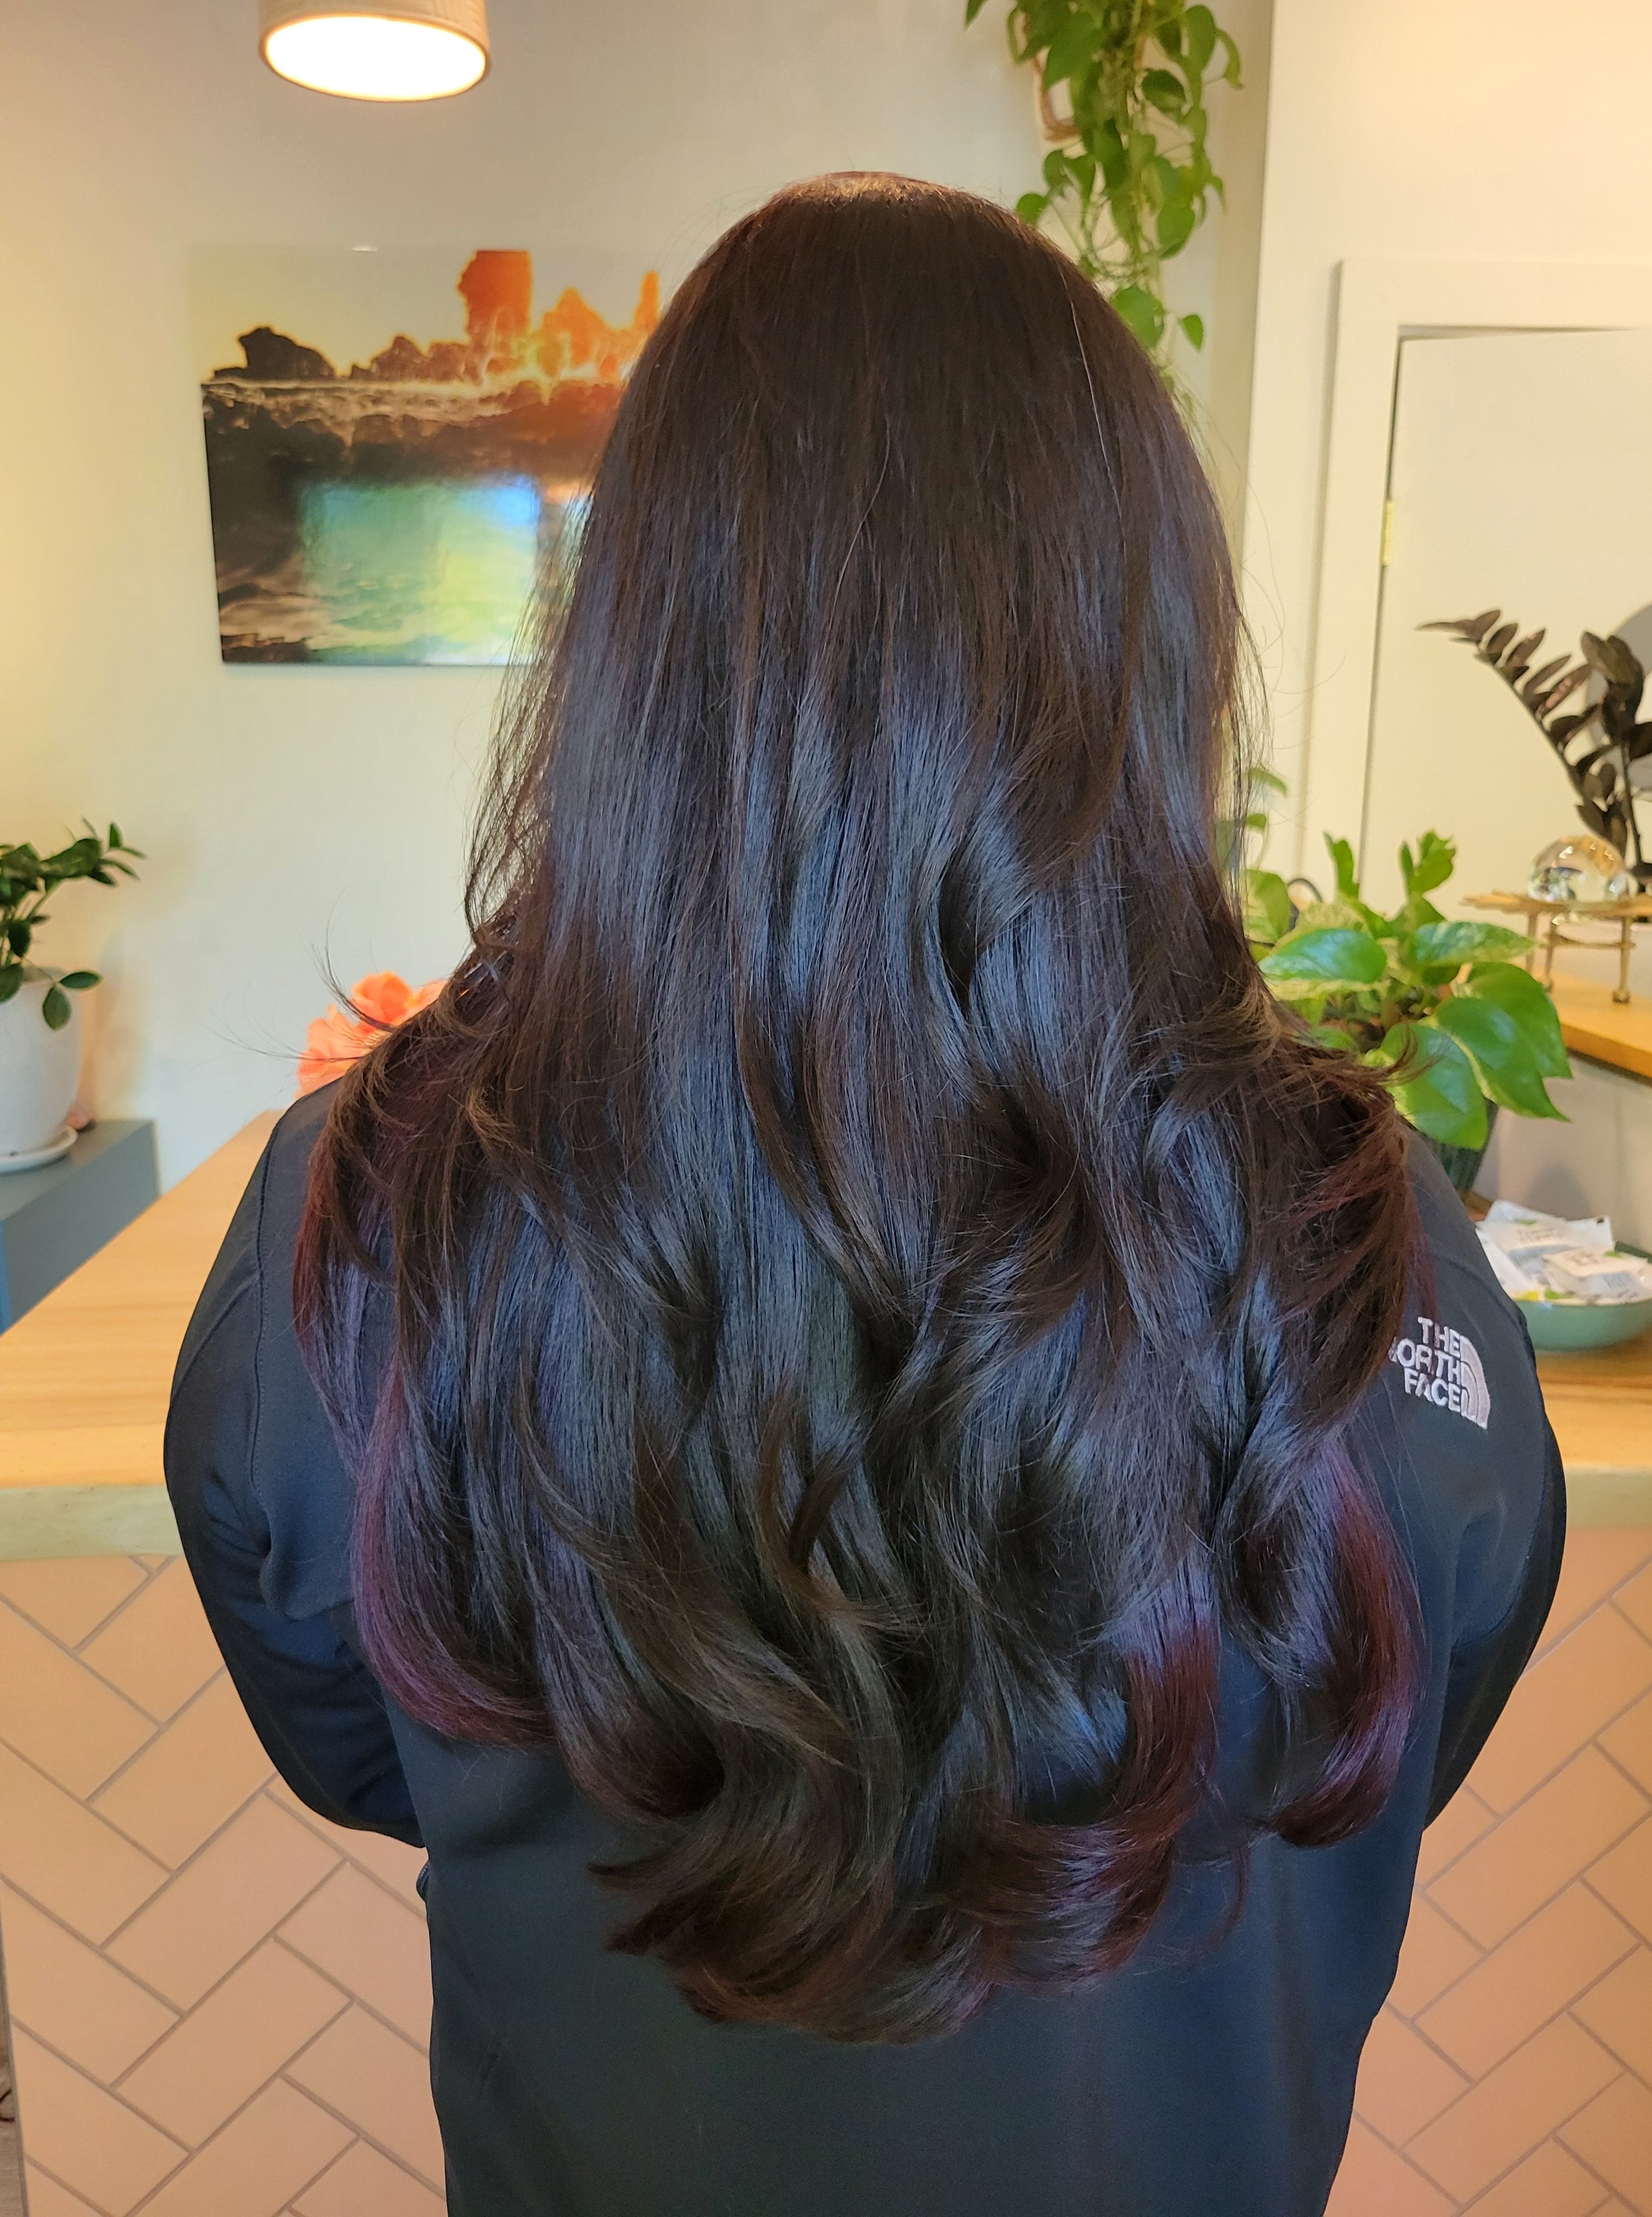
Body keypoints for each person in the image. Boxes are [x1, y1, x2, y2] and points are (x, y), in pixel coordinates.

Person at [166, 174, 1563, 2217]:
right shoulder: (1376, 1250)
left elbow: (363, 1739)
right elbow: (1407, 1723)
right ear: (1150, 650)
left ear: (630, 652)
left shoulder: (368, 1218)